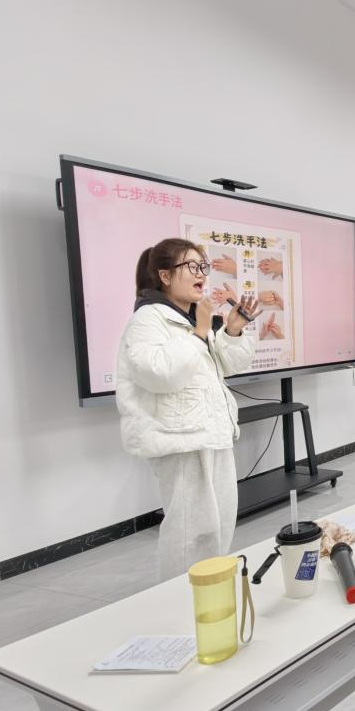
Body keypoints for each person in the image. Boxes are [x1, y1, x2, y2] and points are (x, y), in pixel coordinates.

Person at [117, 238, 259, 580]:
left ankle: (211, 592)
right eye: (191, 266)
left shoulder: (191, 318)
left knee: (219, 526)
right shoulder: (148, 319)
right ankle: (180, 601)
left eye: (203, 266)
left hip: (212, 435)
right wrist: (199, 332)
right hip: (180, 440)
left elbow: (228, 365)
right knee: (189, 534)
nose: (201, 274)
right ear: (165, 276)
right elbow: (160, 374)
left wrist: (232, 331)